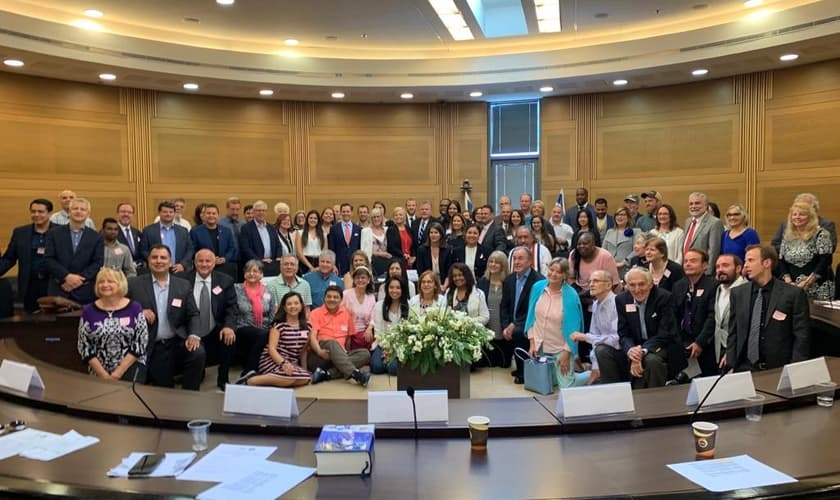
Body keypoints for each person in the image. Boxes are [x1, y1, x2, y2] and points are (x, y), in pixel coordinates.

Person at [127, 245, 203, 390]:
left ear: (170, 261)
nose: (159, 261)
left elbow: (193, 314)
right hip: (152, 344)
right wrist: (138, 312)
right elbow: (121, 309)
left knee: (198, 353)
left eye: (163, 257)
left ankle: (191, 395)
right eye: (154, 257)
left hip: (177, 341)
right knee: (165, 388)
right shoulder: (134, 284)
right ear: (148, 261)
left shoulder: (183, 285)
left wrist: (193, 335)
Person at [726, 244, 810, 371]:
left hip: (778, 369)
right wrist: (730, 364)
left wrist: (795, 370)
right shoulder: (738, 293)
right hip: (744, 367)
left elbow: (801, 336)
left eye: (751, 260)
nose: (746, 265)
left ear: (767, 263)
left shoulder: (793, 294)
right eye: (745, 261)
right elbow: (733, 332)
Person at [598, 267, 680, 388]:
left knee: (651, 360)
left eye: (641, 284)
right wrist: (631, 350)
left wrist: (641, 352)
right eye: (632, 285)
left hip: (660, 345)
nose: (637, 290)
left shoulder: (664, 297)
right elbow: (624, 333)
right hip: (635, 346)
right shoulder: (622, 300)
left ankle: (656, 399)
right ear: (626, 286)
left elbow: (665, 333)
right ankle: (614, 396)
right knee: (602, 351)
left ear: (651, 284)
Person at [523, 257, 589, 387]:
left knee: (566, 387)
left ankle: (590, 374)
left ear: (564, 275)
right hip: (540, 346)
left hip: (561, 348)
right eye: (551, 269)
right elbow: (531, 318)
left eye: (558, 272)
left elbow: (574, 328)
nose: (553, 274)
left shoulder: (571, 295)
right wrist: (532, 343)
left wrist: (566, 354)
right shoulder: (537, 288)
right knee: (545, 385)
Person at [77, 268, 148, 380]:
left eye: (110, 281)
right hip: (99, 373)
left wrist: (118, 373)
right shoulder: (88, 311)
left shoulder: (135, 308)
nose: (105, 285)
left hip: (131, 369)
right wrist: (103, 375)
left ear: (120, 284)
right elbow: (84, 346)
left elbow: (140, 343)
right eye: (101, 282)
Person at [186, 249, 239, 390]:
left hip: (216, 327)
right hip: (191, 329)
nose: (204, 264)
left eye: (208, 261)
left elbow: (232, 307)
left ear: (214, 263)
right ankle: (198, 372)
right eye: (200, 261)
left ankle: (223, 377)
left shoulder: (225, 281)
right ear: (194, 263)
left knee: (229, 337)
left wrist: (229, 326)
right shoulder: (183, 280)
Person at [243, 291, 311, 387]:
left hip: (291, 362)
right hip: (273, 360)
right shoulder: (278, 326)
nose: (293, 306)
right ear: (284, 308)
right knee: (291, 376)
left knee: (305, 378)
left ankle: (269, 380)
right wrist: (283, 363)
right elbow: (272, 349)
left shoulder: (308, 326)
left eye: (296, 303)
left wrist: (304, 369)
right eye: (289, 304)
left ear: (301, 306)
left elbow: (303, 351)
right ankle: (251, 380)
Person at [669, 249, 718, 383]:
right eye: (686, 261)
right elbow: (673, 315)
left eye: (693, 261)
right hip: (682, 343)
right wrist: (679, 342)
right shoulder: (678, 285)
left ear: (705, 265)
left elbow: (712, 316)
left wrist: (700, 342)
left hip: (706, 343)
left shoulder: (713, 285)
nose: (688, 264)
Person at [307, 285, 371, 386]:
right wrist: (319, 351)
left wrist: (343, 355)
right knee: (332, 343)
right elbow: (312, 337)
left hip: (339, 356)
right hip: (320, 356)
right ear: (324, 298)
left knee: (365, 354)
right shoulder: (315, 313)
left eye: (335, 297)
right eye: (329, 296)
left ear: (341, 300)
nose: (332, 299)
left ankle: (326, 374)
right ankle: (356, 374)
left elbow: (348, 339)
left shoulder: (346, 314)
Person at [44, 197, 104, 304]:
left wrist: (78, 280)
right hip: (59, 288)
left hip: (85, 290)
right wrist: (66, 276)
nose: (78, 211)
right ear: (69, 212)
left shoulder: (96, 237)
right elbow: (49, 259)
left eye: (82, 209)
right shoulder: (53, 233)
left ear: (88, 214)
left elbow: (97, 262)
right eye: (75, 208)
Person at [0, 199, 56, 312]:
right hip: (29, 285)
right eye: (33, 211)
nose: (36, 215)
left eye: (40, 212)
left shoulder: (61, 231)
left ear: (49, 213)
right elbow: (9, 258)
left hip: (53, 285)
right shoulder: (20, 232)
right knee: (29, 323)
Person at [501, 246, 544, 384]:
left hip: (531, 322)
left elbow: (534, 309)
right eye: (514, 259)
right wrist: (506, 325)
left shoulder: (538, 281)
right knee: (510, 332)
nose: (517, 262)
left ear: (530, 261)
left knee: (519, 333)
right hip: (513, 322)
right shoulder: (509, 279)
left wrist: (515, 325)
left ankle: (523, 373)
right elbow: (504, 305)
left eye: (521, 258)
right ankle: (521, 366)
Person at [570, 270, 619, 384]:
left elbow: (616, 340)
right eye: (590, 281)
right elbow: (594, 337)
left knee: (602, 349)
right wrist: (596, 367)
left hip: (620, 353)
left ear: (608, 285)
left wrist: (586, 337)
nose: (591, 284)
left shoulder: (617, 303)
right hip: (603, 354)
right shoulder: (596, 304)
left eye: (596, 281)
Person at [778, 202, 835, 300]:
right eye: (794, 214)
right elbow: (781, 260)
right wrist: (789, 282)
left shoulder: (821, 234)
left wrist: (807, 282)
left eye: (802, 214)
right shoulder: (787, 235)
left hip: (818, 288)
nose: (797, 217)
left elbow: (825, 261)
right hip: (792, 287)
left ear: (810, 217)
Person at [233, 259, 277, 378]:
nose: (252, 274)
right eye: (248, 271)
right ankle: (249, 370)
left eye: (255, 271)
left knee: (267, 334)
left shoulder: (269, 291)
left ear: (261, 274)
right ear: (244, 273)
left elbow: (272, 314)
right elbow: (231, 312)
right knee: (263, 335)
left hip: (264, 328)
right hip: (243, 328)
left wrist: (274, 329)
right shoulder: (236, 289)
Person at [476, 251, 511, 367]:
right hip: (487, 327)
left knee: (504, 364)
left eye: (497, 262)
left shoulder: (509, 282)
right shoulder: (482, 282)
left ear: (503, 265)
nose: (493, 264)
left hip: (503, 327)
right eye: (491, 261)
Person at [771, 192, 837, 253]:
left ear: (814, 209)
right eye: (797, 206)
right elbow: (775, 245)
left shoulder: (826, 225)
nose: (798, 216)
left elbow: (830, 248)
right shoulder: (785, 224)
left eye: (804, 208)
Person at [140, 201, 194, 274]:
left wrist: (183, 264)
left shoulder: (183, 231)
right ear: (159, 213)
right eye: (165, 212)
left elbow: (190, 250)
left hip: (178, 270)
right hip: (156, 270)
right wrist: (154, 262)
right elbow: (143, 250)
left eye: (171, 212)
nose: (168, 214)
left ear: (174, 214)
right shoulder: (148, 231)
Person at [712, 254, 747, 366]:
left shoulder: (747, 290)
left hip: (738, 351)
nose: (720, 270)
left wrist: (732, 353)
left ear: (738, 268)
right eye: (717, 267)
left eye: (725, 265)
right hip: (718, 349)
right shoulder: (718, 289)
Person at [190, 203, 238, 278]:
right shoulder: (195, 231)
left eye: (214, 213)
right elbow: (192, 250)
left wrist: (225, 259)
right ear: (204, 216)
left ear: (218, 215)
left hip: (224, 268)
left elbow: (232, 248)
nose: (211, 215)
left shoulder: (226, 231)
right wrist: (209, 259)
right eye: (208, 213)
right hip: (204, 268)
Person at [681, 192, 723, 275]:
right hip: (688, 270)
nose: (693, 206)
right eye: (691, 204)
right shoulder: (688, 221)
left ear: (706, 205)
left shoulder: (714, 223)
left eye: (697, 203)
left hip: (703, 273)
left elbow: (713, 252)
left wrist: (707, 274)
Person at [371, 277, 406, 375]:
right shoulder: (379, 306)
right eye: (391, 287)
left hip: (401, 345)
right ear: (387, 289)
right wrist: (387, 348)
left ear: (402, 290)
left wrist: (394, 350)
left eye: (398, 288)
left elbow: (407, 334)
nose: (394, 290)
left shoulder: (408, 306)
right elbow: (378, 332)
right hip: (383, 344)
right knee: (376, 367)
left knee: (393, 369)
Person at [239, 200, 281, 277]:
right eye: (258, 210)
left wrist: (278, 258)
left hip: (272, 265)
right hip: (255, 265)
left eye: (263, 210)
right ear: (254, 212)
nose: (261, 213)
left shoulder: (271, 227)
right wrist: (260, 260)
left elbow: (278, 245)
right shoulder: (246, 228)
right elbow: (246, 248)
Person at [342, 266, 377, 353]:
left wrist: (369, 328)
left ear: (368, 280)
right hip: (346, 330)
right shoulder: (346, 294)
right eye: (357, 278)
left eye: (363, 277)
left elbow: (373, 316)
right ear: (353, 280)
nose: (360, 280)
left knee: (369, 338)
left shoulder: (371, 297)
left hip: (363, 332)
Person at [361, 207, 401, 277]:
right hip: (373, 264)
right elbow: (363, 251)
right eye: (374, 217)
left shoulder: (388, 230)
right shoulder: (365, 231)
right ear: (371, 218)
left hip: (387, 263)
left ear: (382, 217)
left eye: (378, 216)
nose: (376, 219)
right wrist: (379, 254)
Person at [603, 207, 640, 279]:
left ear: (628, 217)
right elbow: (603, 250)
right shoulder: (609, 232)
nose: (620, 217)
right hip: (610, 269)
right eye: (617, 215)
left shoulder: (636, 232)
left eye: (623, 215)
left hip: (626, 269)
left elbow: (637, 250)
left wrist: (624, 262)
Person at [415, 222, 453, 286]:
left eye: (436, 233)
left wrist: (444, 286)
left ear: (441, 234)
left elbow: (449, 272)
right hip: (427, 282)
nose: (433, 235)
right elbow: (420, 271)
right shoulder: (421, 250)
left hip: (444, 283)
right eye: (431, 233)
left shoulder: (447, 249)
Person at [329, 203, 362, 276]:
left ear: (352, 213)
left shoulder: (358, 229)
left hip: (354, 264)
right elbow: (331, 248)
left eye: (348, 211)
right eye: (343, 211)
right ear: (340, 213)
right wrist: (333, 264)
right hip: (339, 264)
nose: (345, 213)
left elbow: (359, 248)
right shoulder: (334, 229)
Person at [295, 210, 326, 274]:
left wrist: (320, 266)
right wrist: (310, 266)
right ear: (307, 219)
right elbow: (299, 253)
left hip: (319, 263)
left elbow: (325, 252)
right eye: (310, 218)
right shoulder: (300, 233)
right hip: (305, 262)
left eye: (315, 218)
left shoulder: (323, 234)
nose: (313, 220)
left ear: (318, 220)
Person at [115, 202, 143, 266]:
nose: (126, 214)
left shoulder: (137, 232)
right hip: (119, 271)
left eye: (129, 212)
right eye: (123, 212)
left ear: (133, 215)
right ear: (117, 214)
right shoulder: (111, 232)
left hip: (138, 271)